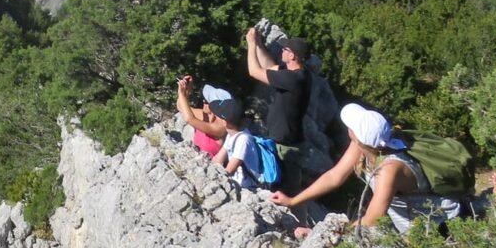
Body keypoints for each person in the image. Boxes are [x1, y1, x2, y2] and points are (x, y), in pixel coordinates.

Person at [269, 103, 475, 233]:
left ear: (358, 136)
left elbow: (373, 219)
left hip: (441, 222)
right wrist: (293, 200)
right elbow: (335, 177)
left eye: (351, 127)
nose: (348, 128)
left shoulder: (389, 169)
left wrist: (327, 236)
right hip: (415, 226)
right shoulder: (367, 146)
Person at [246, 24, 310, 178]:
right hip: (284, 142)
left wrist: (251, 45)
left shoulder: (293, 79)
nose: (282, 50)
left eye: (285, 50)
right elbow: (269, 66)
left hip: (287, 147)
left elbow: (254, 71)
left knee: (285, 189)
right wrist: (259, 44)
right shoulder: (296, 74)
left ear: (292, 56)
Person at [175, 75, 234, 159]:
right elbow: (180, 107)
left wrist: (181, 93)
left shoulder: (221, 128)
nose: (203, 102)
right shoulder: (205, 115)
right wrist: (187, 90)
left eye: (206, 101)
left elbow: (189, 119)